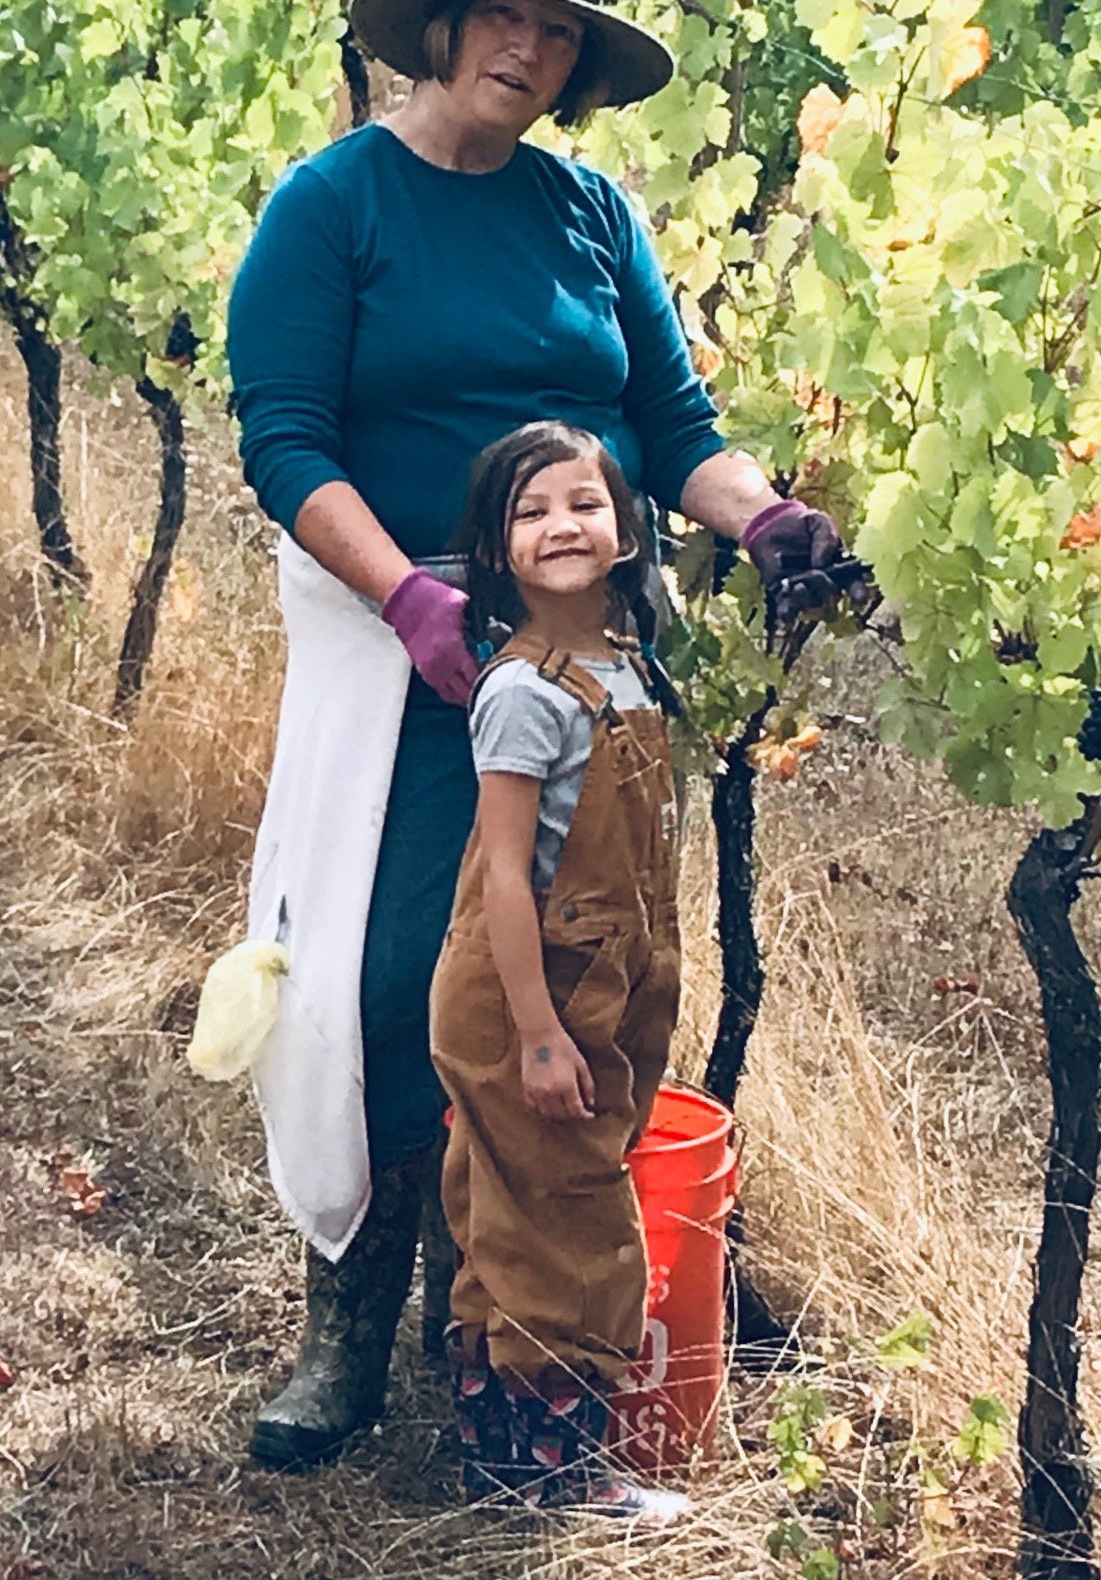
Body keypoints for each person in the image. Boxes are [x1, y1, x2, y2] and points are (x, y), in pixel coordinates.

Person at [225, 0, 844, 1470]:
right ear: (439, 27)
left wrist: (764, 519)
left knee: (558, 993)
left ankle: (492, 1328)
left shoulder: (588, 215)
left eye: (558, 29)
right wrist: (412, 596)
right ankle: (343, 1331)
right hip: (408, 664)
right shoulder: (333, 204)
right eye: (504, 13)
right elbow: (284, 434)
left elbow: (676, 423)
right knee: (385, 993)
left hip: (585, 665)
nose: (528, 45)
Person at [431, 421, 688, 1524]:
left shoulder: (628, 668)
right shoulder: (523, 692)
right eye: (528, 513)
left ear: (625, 528)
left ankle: (498, 1459)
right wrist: (534, 1033)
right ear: (495, 552)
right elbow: (499, 880)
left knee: (521, 1210)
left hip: (601, 975)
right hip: (525, 985)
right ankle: (557, 1477)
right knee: (568, 1220)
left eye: (580, 503)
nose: (558, 527)